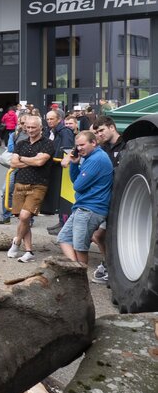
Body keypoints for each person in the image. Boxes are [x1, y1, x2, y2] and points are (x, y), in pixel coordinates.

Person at [55, 131, 114, 266]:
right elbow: (76, 181)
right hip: (83, 207)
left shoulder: (96, 159)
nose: (79, 149)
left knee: (80, 247)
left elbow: (77, 186)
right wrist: (74, 164)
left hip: (91, 209)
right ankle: (76, 270)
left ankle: (81, 276)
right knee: (64, 238)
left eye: (82, 145)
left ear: (93, 143)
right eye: (77, 146)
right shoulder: (90, 158)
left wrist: (74, 165)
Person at [3, 115, 55, 263]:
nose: (30, 130)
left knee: (26, 216)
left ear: (40, 127)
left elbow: (40, 162)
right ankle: (28, 251)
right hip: (20, 182)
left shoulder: (48, 143)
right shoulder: (21, 143)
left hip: (38, 184)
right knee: (21, 218)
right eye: (28, 127)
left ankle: (16, 241)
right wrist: (31, 161)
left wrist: (23, 159)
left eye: (33, 127)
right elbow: (13, 162)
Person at [90, 116, 126, 283]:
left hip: (123, 198)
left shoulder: (127, 145)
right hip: (106, 198)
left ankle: (112, 267)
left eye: (101, 130)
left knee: (109, 235)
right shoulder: (102, 149)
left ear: (112, 127)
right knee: (98, 235)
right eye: (96, 132)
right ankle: (107, 264)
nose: (99, 134)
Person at [44, 108, 75, 235]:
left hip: (62, 168)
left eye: (52, 119)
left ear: (59, 119)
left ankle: (65, 224)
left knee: (64, 198)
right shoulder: (52, 132)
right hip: (55, 166)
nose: (49, 121)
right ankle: (61, 221)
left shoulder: (65, 132)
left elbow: (66, 149)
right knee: (58, 197)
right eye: (48, 119)